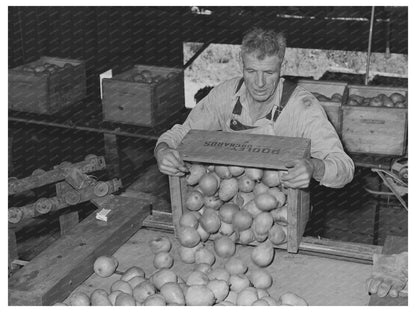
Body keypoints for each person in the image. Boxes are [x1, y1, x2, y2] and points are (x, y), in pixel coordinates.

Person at [154, 27, 354, 189]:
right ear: (242, 65)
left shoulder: (302, 107)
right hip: (229, 206)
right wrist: (162, 150)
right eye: (251, 71)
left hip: (282, 211)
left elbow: (344, 168)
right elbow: (183, 133)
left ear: (281, 67)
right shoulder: (225, 94)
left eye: (268, 72)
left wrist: (314, 167)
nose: (259, 83)